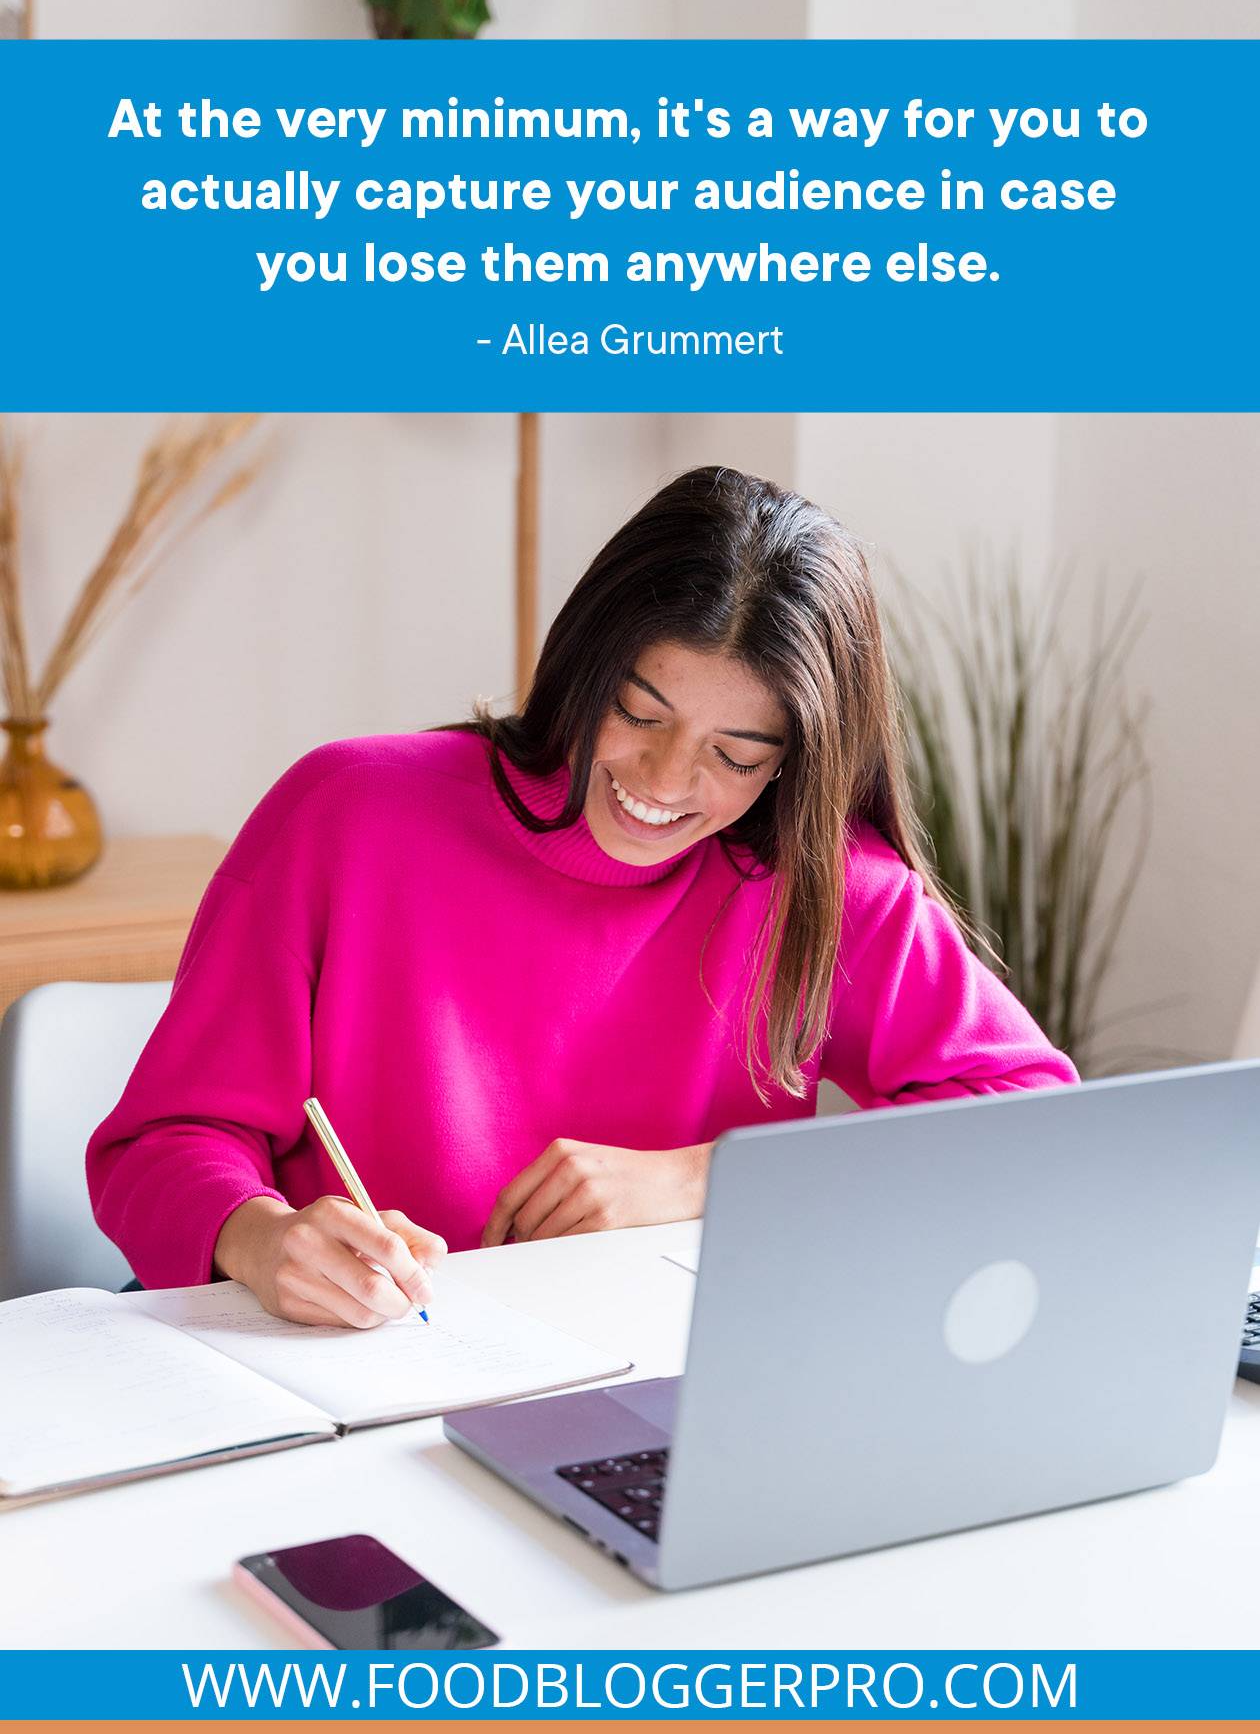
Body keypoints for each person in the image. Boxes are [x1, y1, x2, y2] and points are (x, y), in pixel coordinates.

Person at [87, 467, 1077, 1328]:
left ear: (794, 766)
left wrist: (699, 1178)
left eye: (737, 755)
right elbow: (161, 1143)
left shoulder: (830, 891)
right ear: (584, 665)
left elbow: (1029, 1129)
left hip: (634, 1378)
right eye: (639, 713)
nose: (665, 778)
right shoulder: (351, 814)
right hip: (343, 1365)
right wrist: (260, 1242)